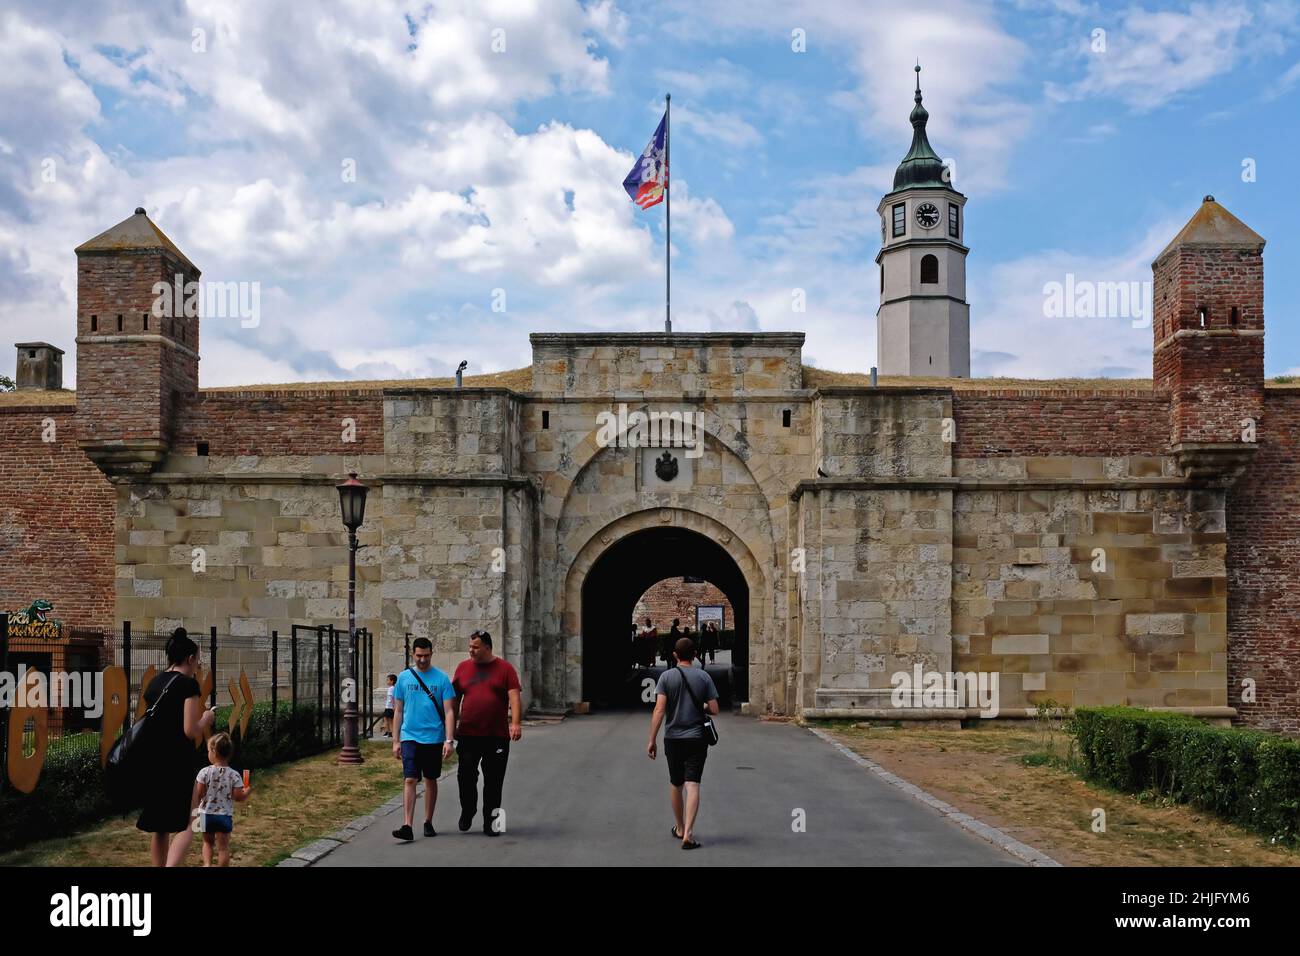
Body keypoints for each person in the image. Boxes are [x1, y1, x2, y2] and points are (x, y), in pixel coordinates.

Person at [138, 627, 216, 867]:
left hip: (153, 760)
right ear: (190, 659)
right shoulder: (188, 685)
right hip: (179, 762)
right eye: (198, 661)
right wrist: (207, 718)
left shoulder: (155, 683)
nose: (198, 666)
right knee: (188, 822)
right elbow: (190, 730)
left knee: (160, 828)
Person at [646, 637, 719, 850]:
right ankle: (688, 833)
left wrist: (652, 739)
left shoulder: (666, 677)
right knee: (693, 784)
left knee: (676, 783)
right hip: (696, 737)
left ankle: (679, 827)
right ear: (695, 654)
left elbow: (659, 710)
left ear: (675, 655)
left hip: (673, 738)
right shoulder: (704, 677)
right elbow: (714, 709)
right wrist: (702, 706)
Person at [453, 631, 522, 837]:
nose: (470, 650)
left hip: (496, 735)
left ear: (488, 648)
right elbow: (454, 699)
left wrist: (516, 723)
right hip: (468, 734)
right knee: (465, 777)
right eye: (470, 646)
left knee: (494, 781)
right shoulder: (463, 668)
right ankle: (468, 810)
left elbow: (514, 697)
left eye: (475, 647)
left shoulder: (505, 669)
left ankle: (492, 822)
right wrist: (450, 725)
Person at [391, 637, 456, 841]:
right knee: (410, 778)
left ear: (431, 654)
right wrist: (395, 741)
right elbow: (398, 711)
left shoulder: (441, 679)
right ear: (413, 654)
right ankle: (407, 825)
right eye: (419, 656)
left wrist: (449, 740)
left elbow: (449, 712)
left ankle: (428, 821)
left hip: (434, 737)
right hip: (410, 736)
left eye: (426, 656)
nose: (422, 660)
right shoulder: (404, 678)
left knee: (430, 779)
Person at [192, 731, 251, 866]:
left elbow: (199, 794)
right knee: (223, 848)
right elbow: (238, 797)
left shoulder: (204, 772)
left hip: (205, 814)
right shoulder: (235, 775)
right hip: (224, 816)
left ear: (213, 752)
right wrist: (246, 791)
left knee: (207, 842)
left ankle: (207, 864)